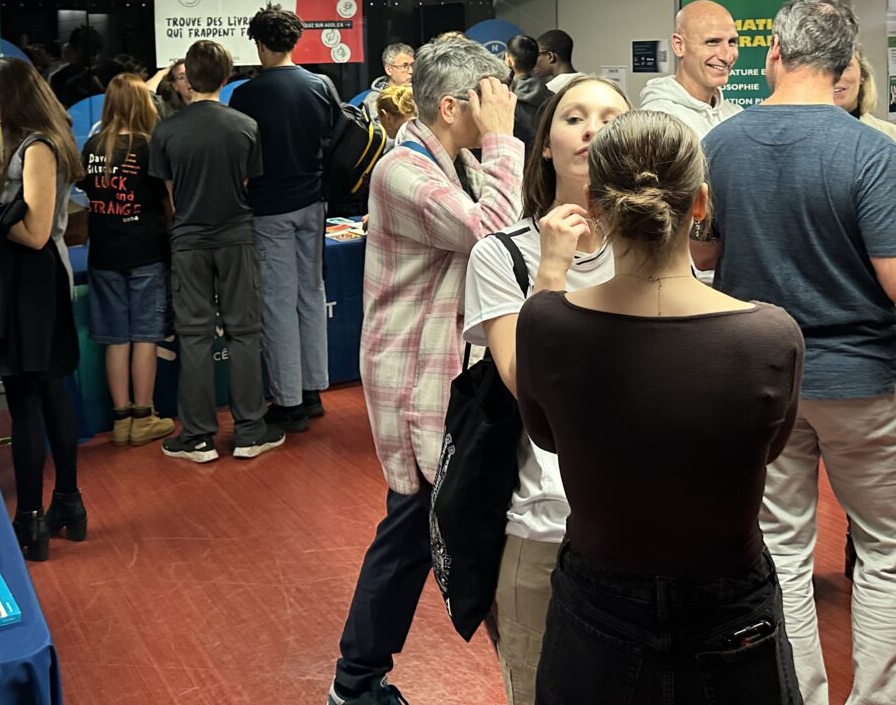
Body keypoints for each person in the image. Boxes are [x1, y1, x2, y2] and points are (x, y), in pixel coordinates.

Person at [696, 0, 896, 705]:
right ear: (846, 62)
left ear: (773, 53)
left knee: (781, 551)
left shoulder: (721, 144)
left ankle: (801, 696)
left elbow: (703, 255)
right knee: (886, 551)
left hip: (763, 381)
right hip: (862, 382)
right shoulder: (868, 149)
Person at [517, 110, 805, 703]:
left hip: (599, 598)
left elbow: (545, 433)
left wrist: (551, 273)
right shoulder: (770, 336)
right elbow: (770, 449)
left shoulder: (547, 322)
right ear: (700, 203)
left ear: (593, 205)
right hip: (730, 604)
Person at [327, 39, 522, 705]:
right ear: (452, 106)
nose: (501, 109)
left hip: (444, 371)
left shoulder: (455, 161)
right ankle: (354, 681)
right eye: (489, 97)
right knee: (417, 526)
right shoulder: (401, 172)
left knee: (416, 529)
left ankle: (357, 679)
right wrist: (504, 141)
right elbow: (495, 233)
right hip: (415, 378)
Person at [463, 75, 629, 704]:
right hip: (545, 525)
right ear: (547, 145)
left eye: (610, 120)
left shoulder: (655, 252)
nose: (592, 132)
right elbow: (527, 385)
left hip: (643, 525)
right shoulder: (500, 256)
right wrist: (552, 270)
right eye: (574, 118)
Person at [0, 57, 85, 562]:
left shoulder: (39, 147)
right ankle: (66, 504)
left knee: (29, 401)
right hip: (30, 287)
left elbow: (34, 232)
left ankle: (30, 518)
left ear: (6, 102)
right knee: (47, 394)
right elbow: (22, 209)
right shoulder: (33, 145)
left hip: (33, 288)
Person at [149, 41, 284, 464]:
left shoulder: (166, 131)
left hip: (188, 240)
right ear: (226, 77)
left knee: (194, 336)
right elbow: (246, 183)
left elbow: (171, 195)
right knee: (245, 332)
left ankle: (197, 437)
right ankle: (250, 431)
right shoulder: (245, 126)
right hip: (236, 236)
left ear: (187, 78)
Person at [230, 6, 339, 431]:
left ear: (259, 44)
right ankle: (312, 390)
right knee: (311, 293)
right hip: (313, 202)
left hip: (269, 207)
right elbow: (333, 138)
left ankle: (289, 401)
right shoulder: (321, 85)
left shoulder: (246, 95)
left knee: (277, 302)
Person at [834, 51, 896, 451]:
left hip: (884, 295)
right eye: (831, 65)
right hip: (826, 305)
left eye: (848, 66)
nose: (839, 76)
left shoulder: (891, 140)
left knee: (891, 446)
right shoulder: (791, 135)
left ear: (863, 76)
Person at [79, 73, 175, 448]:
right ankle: (143, 416)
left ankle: (121, 420)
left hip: (104, 253)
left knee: (115, 339)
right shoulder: (150, 146)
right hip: (146, 250)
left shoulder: (93, 146)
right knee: (145, 336)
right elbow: (168, 203)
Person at [638, 0, 744, 138]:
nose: (727, 56)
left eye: (732, 42)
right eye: (712, 42)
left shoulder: (736, 114)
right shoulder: (658, 122)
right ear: (679, 46)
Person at [49, 25, 108, 110]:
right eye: (85, 53)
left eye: (93, 53)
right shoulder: (59, 78)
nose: (90, 57)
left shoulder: (58, 77)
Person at [507, 34, 550, 148]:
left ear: (509, 61)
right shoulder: (551, 96)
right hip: (542, 152)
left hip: (514, 152)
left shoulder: (504, 99)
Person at [362, 44, 415, 125]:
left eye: (413, 65)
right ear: (389, 70)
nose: (411, 71)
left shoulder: (420, 95)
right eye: (404, 66)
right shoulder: (375, 99)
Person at [534, 29, 579, 93]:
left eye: (536, 55)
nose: (533, 61)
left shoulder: (549, 90)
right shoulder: (589, 82)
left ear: (550, 56)